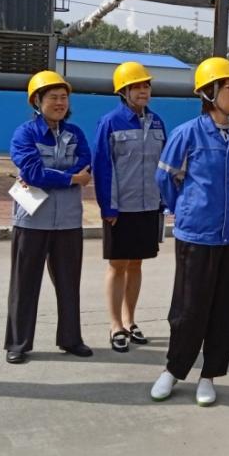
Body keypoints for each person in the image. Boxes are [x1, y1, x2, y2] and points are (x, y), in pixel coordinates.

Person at [151, 57, 229, 407]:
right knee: (188, 309)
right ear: (209, 93)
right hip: (196, 235)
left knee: (225, 309)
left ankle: (209, 375)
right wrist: (184, 208)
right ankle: (173, 369)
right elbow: (165, 178)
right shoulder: (187, 134)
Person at [4, 71, 94, 364]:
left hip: (69, 221)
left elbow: (86, 164)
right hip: (31, 220)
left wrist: (53, 176)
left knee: (69, 283)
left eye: (64, 98)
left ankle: (71, 339)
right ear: (37, 101)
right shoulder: (24, 134)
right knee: (24, 284)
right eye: (53, 97)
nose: (59, 103)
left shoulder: (75, 134)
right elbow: (32, 173)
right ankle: (18, 343)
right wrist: (71, 179)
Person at [93, 61, 167, 353]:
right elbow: (102, 167)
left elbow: (164, 165)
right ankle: (115, 325)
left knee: (136, 263)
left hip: (148, 207)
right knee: (117, 265)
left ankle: (130, 320)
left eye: (146, 85)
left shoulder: (157, 122)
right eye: (136, 87)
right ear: (123, 92)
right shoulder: (110, 122)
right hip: (120, 208)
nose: (143, 91)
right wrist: (108, 207)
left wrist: (163, 201)